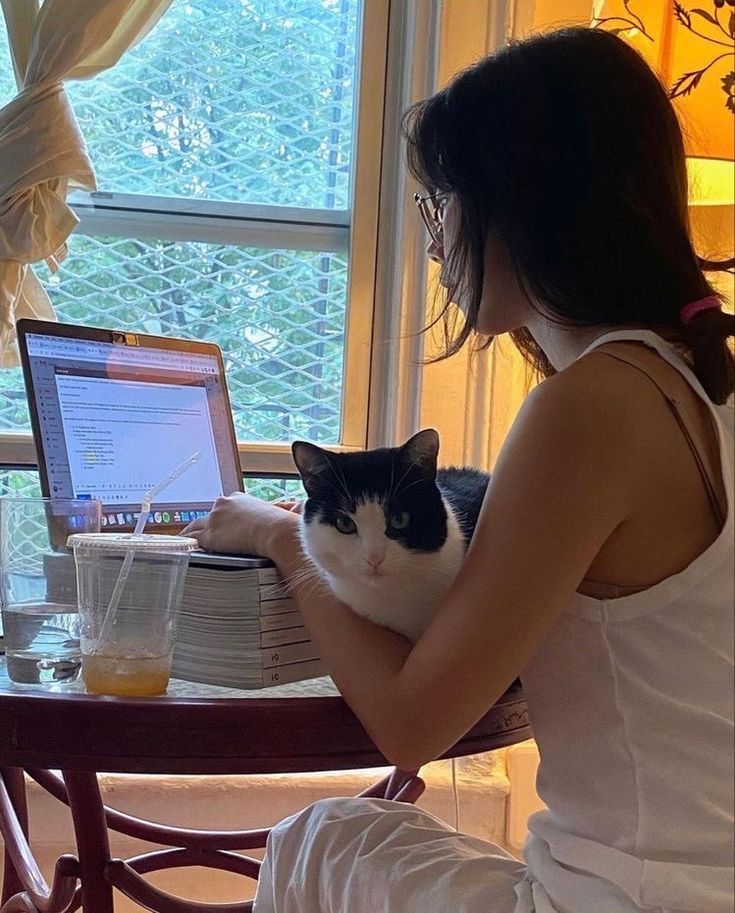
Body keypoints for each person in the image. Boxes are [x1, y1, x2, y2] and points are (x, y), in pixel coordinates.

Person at [183, 26, 734, 913]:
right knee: (351, 834)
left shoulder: (591, 406)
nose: (433, 240)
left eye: (439, 200)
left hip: (632, 898)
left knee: (319, 835)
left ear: (517, 203)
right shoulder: (703, 382)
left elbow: (411, 726)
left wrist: (284, 539)